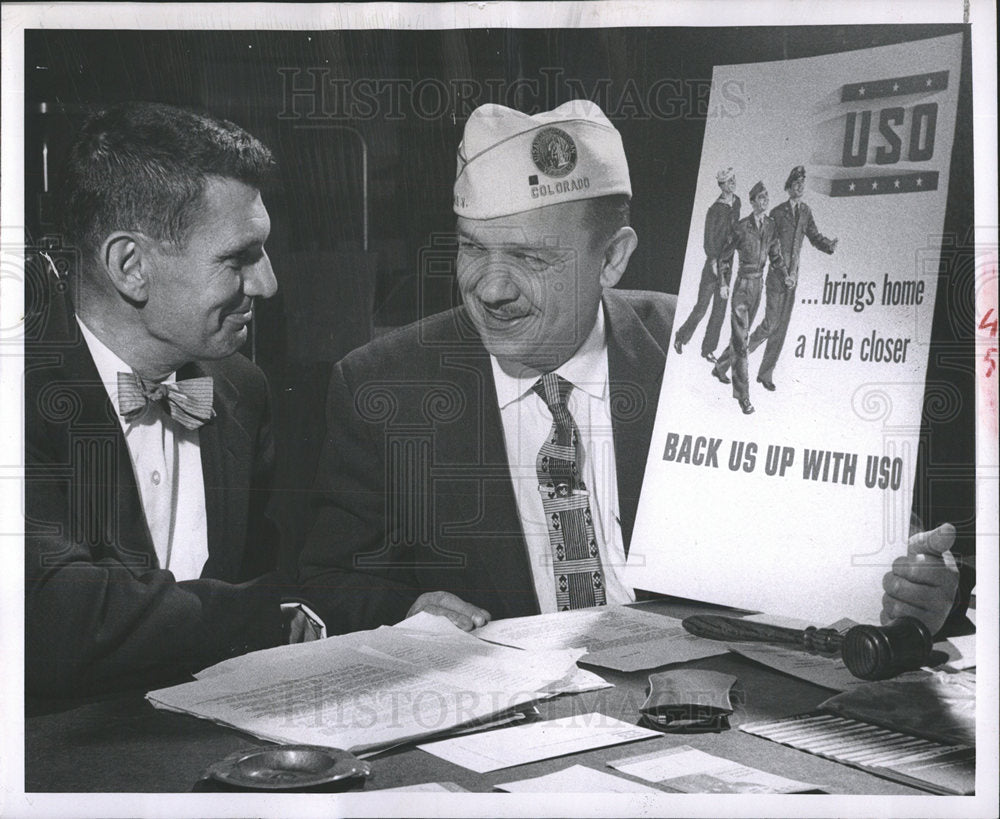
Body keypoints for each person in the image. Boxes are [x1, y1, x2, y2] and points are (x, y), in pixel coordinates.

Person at [298, 100, 675, 633]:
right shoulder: (383, 385)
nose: (491, 290)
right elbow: (331, 578)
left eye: (531, 258)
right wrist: (403, 613)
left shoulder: (696, 355)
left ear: (612, 258)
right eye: (473, 250)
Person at [25, 101, 308, 698]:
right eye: (237, 258)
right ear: (131, 266)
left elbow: (269, 571)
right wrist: (260, 614)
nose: (267, 284)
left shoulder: (239, 389)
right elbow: (55, 618)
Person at [747, 165, 837, 390]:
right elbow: (771, 246)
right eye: (796, 184)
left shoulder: (805, 212)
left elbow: (814, 236)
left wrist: (828, 245)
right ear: (788, 187)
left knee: (781, 328)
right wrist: (783, 273)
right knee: (769, 325)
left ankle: (765, 374)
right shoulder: (777, 213)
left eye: (802, 184)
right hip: (778, 278)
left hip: (792, 280)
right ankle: (741, 353)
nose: (800, 187)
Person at [710, 181, 786, 414]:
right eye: (760, 198)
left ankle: (720, 367)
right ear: (752, 202)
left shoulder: (771, 226)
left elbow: (776, 255)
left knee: (740, 338)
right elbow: (725, 257)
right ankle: (743, 396)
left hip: (758, 287)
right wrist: (723, 283)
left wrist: (785, 276)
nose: (765, 202)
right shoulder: (741, 227)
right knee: (742, 343)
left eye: (766, 198)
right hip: (742, 286)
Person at [673, 167, 741, 362]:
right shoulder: (714, 210)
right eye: (728, 181)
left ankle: (708, 349)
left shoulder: (737, 203)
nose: (732, 183)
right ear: (721, 185)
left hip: (728, 264)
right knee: (702, 306)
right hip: (713, 264)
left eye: (733, 179)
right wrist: (713, 261)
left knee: (720, 309)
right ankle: (681, 337)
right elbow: (708, 240)